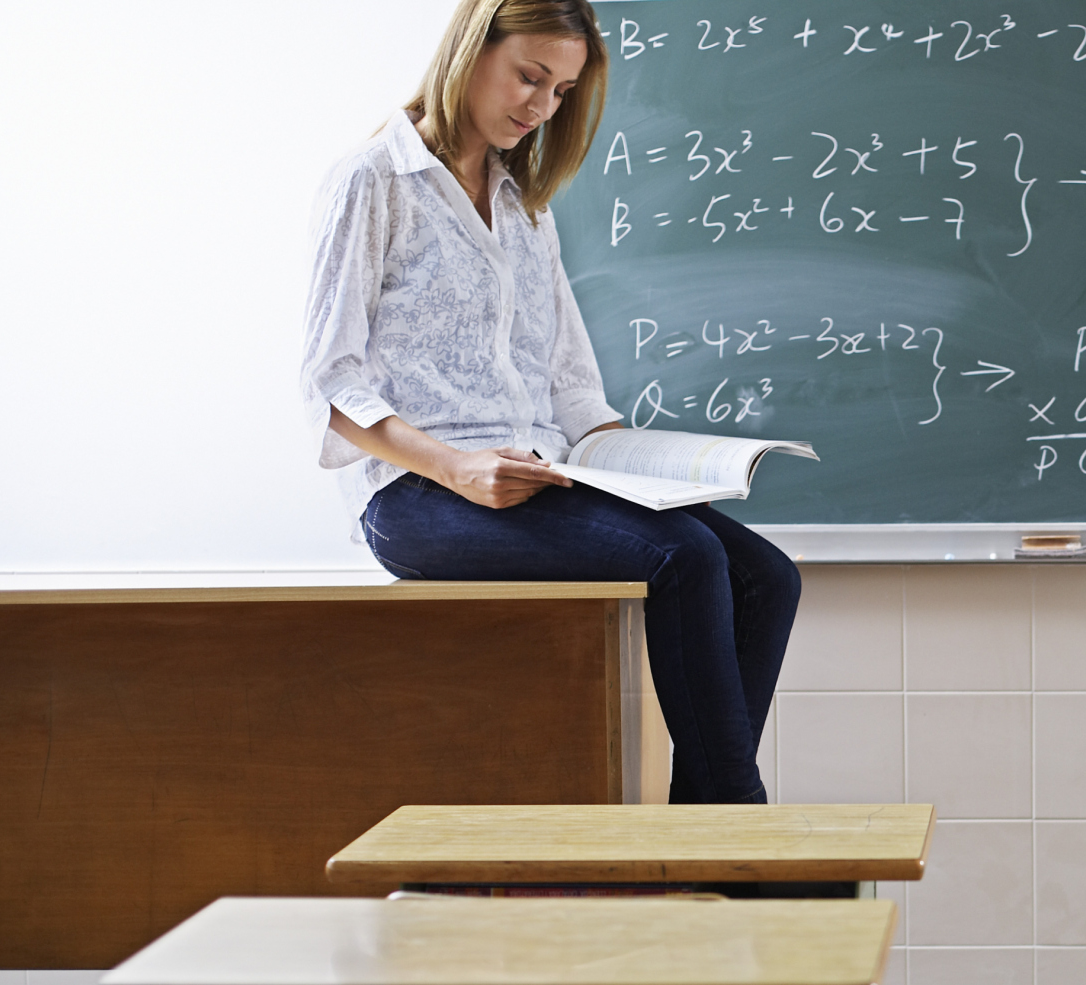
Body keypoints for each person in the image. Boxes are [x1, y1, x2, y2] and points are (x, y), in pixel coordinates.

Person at [301, 0, 798, 804]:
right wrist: (457, 467)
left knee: (768, 577)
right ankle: (726, 830)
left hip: (539, 477)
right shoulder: (373, 182)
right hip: (418, 497)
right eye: (529, 77)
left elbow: (570, 385)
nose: (540, 107)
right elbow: (330, 385)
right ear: (471, 51)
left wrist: (639, 461)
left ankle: (706, 821)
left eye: (561, 91)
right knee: (687, 556)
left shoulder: (523, 205)